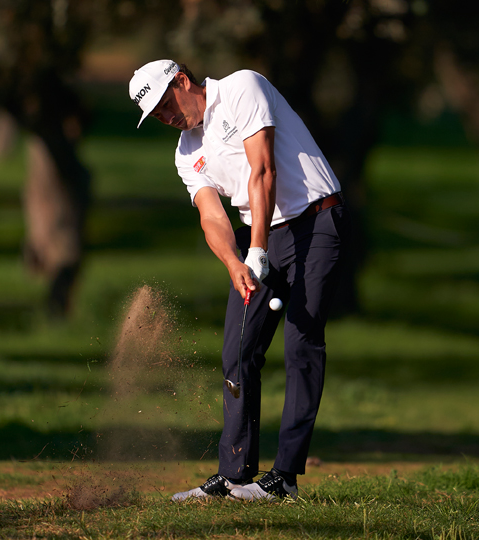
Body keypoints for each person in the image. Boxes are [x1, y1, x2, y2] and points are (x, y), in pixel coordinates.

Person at [128, 60, 349, 501]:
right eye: (155, 115)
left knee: (301, 343)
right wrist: (235, 262)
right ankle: (234, 476)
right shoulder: (187, 151)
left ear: (182, 81)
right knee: (238, 351)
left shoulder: (242, 88)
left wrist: (257, 250)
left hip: (315, 220)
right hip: (259, 237)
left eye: (165, 104)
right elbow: (212, 216)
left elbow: (262, 170)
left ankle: (284, 478)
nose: (165, 117)